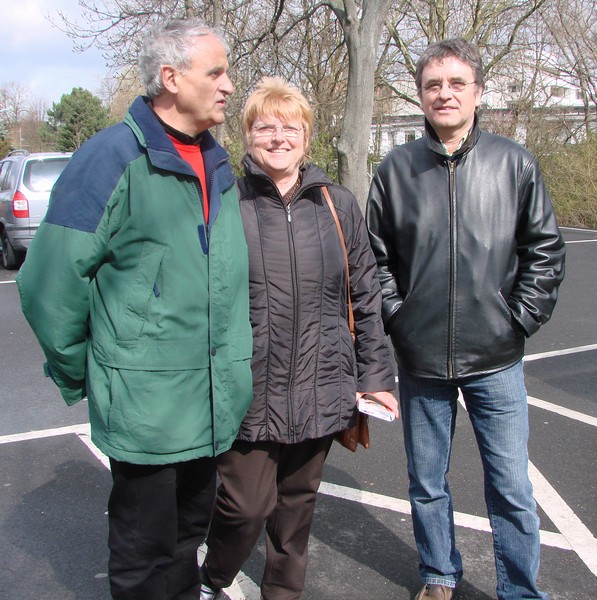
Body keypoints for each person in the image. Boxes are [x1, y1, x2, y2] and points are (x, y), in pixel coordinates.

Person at [17, 19, 253, 600]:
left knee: (185, 544)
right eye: (216, 72)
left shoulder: (217, 163)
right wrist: (89, 372)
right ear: (171, 78)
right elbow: (49, 284)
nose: (228, 85)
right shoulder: (110, 158)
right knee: (143, 557)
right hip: (146, 408)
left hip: (209, 403)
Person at [366, 39, 565, 600]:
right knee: (427, 483)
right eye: (433, 84)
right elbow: (375, 260)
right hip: (422, 358)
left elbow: (544, 251)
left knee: (511, 487)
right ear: (420, 96)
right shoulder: (395, 170)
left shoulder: (514, 163)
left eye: (457, 83)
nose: (445, 93)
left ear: (478, 93)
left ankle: (519, 590)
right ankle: (438, 575)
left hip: (496, 358)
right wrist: (400, 318)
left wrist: (517, 319)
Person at [198, 77, 399, 600]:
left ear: (307, 137)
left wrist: (375, 376)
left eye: (290, 128)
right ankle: (212, 578)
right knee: (245, 507)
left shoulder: (337, 204)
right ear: (248, 136)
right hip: (249, 389)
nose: (279, 137)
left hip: (321, 382)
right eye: (266, 127)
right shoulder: (225, 201)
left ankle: (283, 594)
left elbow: (365, 295)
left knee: (296, 511)